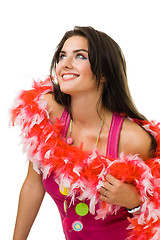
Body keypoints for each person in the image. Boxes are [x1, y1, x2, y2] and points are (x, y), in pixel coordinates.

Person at [11, 26, 160, 240]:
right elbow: (34, 185)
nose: (66, 63)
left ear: (104, 74)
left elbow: (154, 216)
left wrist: (136, 203)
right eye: (62, 56)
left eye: (80, 56)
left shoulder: (132, 139)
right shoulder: (45, 113)